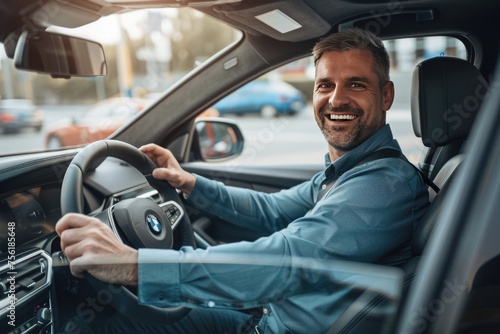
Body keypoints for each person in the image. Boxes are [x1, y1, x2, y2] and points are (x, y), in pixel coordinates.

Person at [56, 28, 430, 333]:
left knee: (114, 324)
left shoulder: (385, 183)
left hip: (279, 327)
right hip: (271, 317)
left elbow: (289, 259)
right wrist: (190, 183)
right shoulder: (351, 171)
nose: (336, 99)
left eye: (356, 85)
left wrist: (134, 265)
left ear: (386, 96)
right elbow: (272, 209)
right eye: (324, 85)